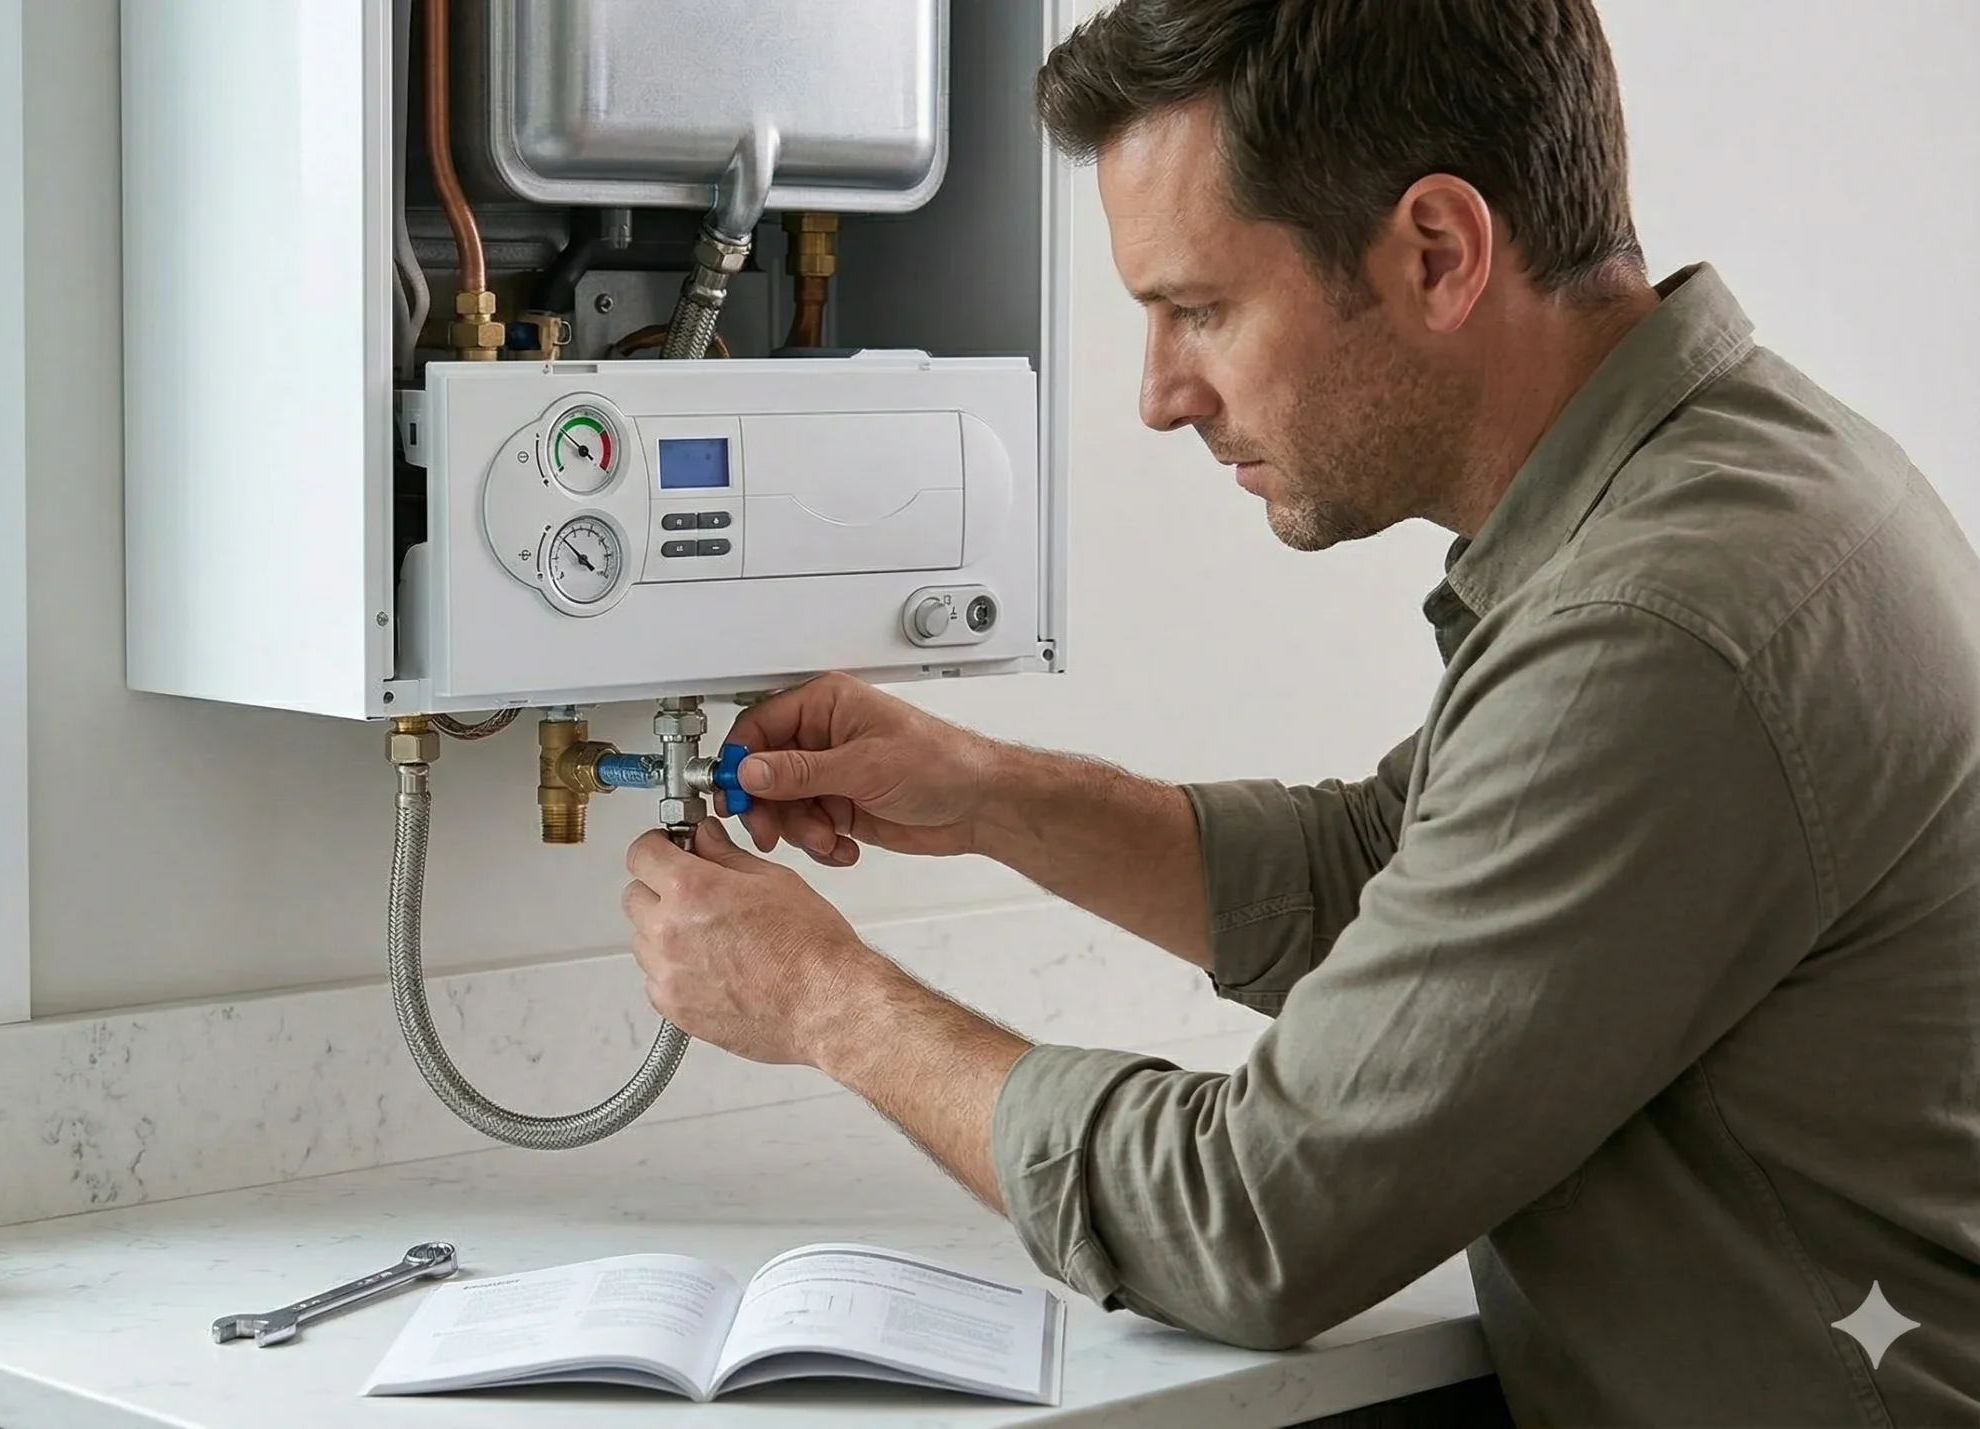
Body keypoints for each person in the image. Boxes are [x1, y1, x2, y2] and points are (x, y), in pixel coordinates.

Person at [616, 1, 1980, 1423]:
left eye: (1197, 309)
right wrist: (984, 792)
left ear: (1438, 253)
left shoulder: (1659, 629)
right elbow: (1390, 879)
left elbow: (1255, 1223)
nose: (1158, 396)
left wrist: (827, 1005)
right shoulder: (1730, 483)